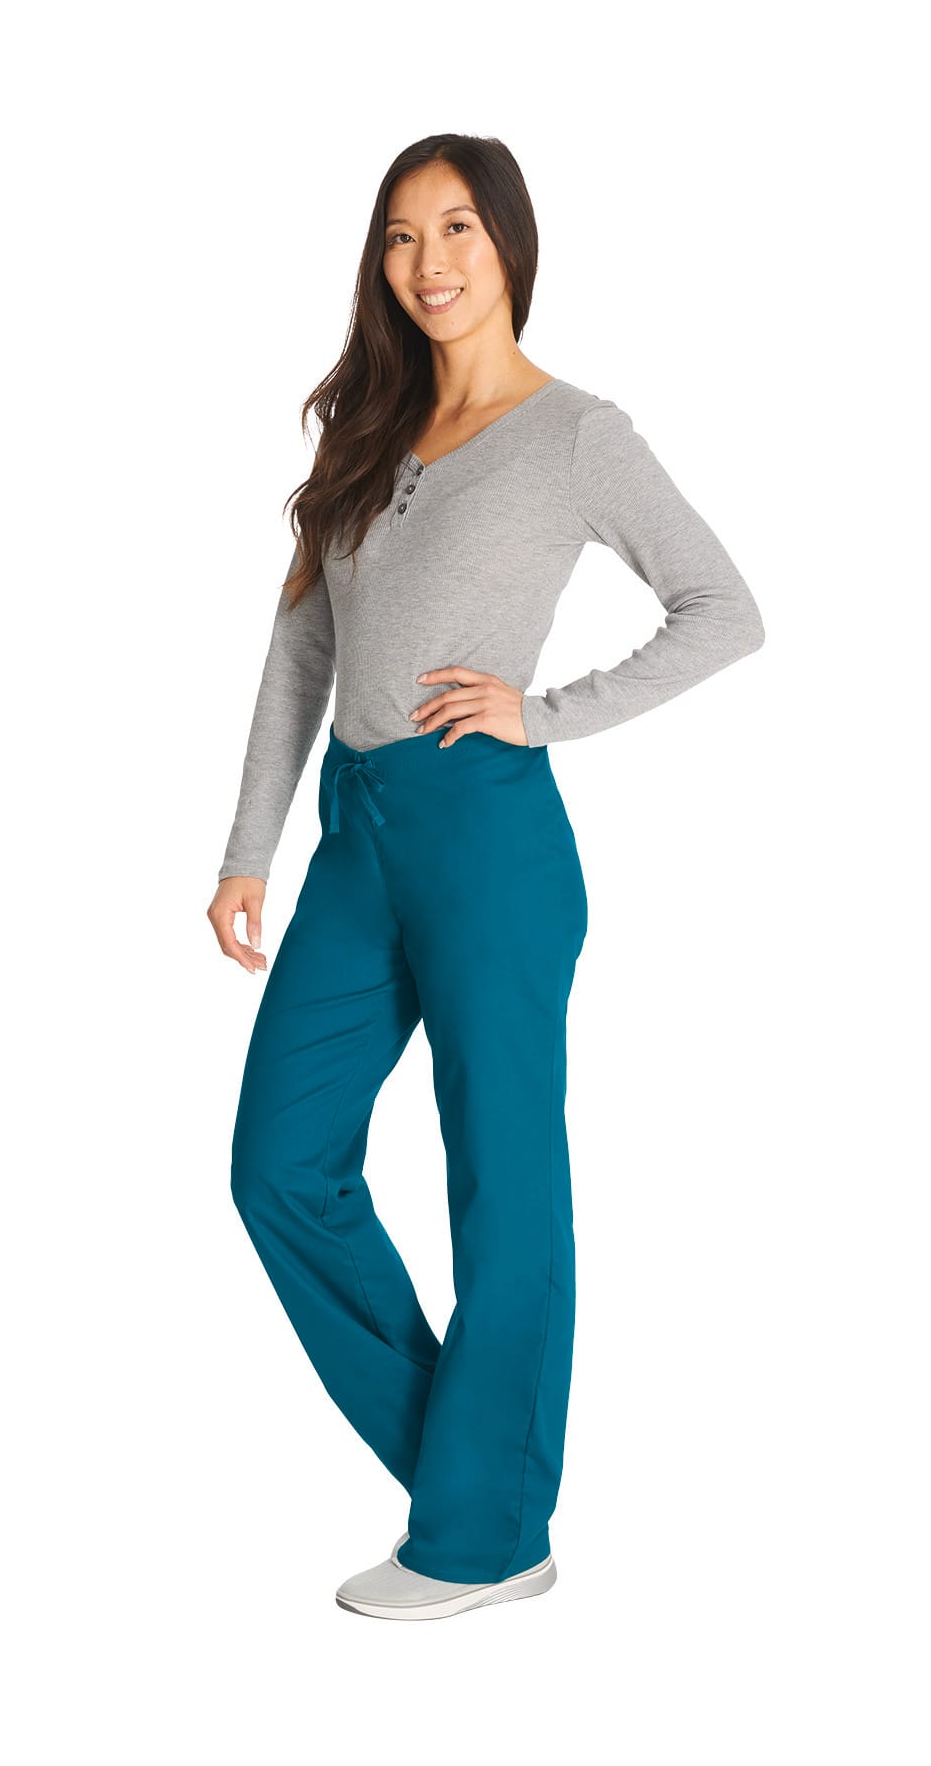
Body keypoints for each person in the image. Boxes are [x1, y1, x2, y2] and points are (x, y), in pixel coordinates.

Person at [208, 134, 765, 1622]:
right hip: (357, 835)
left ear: (509, 242)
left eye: (457, 228)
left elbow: (726, 610)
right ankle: (487, 1486)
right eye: (401, 236)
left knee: (501, 1184)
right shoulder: (369, 434)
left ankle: (482, 1533)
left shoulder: (576, 435)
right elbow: (301, 652)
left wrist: (547, 711)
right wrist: (250, 848)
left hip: (487, 835)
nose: (430, 261)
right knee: (279, 1165)